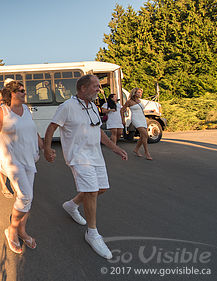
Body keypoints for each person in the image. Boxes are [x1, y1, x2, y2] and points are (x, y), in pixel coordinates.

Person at [44, 74, 128, 259]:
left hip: (95, 155)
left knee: (102, 189)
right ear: (83, 88)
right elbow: (51, 128)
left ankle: (71, 205)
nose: (99, 89)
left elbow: (97, 131)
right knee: (91, 191)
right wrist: (47, 149)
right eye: (96, 86)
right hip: (78, 156)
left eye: (99, 86)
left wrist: (115, 148)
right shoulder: (67, 106)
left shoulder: (92, 107)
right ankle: (92, 233)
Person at [0, 80, 44, 254]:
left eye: (24, 90)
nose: (24, 93)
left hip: (29, 158)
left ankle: (22, 230)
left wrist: (44, 146)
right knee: (25, 195)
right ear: (11, 94)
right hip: (11, 161)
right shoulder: (2, 112)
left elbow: (33, 131)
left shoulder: (26, 109)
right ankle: (12, 229)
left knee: (29, 197)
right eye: (20, 91)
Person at [121, 87, 152, 160]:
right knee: (145, 134)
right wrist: (123, 119)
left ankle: (136, 149)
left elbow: (141, 110)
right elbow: (122, 110)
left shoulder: (140, 101)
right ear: (134, 93)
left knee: (142, 136)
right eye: (138, 92)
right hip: (135, 119)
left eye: (141, 92)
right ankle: (147, 153)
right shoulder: (129, 101)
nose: (140, 94)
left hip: (142, 118)